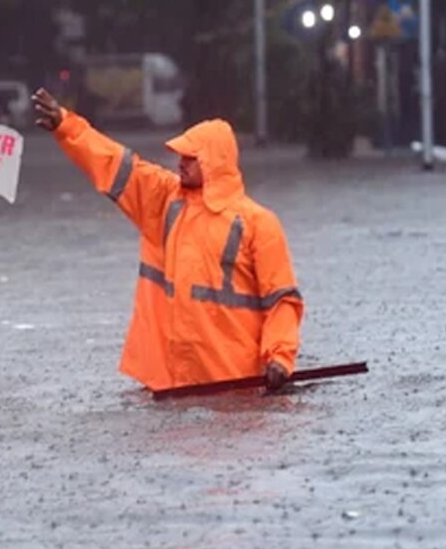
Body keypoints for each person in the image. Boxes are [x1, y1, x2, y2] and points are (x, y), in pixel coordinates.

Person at [32, 87, 303, 392]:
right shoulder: (164, 200)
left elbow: (282, 299)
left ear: (214, 162)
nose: (181, 162)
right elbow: (115, 164)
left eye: (191, 157)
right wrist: (66, 126)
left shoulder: (259, 223)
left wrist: (279, 357)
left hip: (233, 385)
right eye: (181, 156)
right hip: (170, 383)